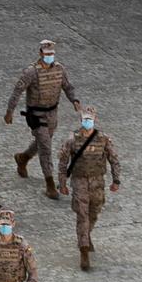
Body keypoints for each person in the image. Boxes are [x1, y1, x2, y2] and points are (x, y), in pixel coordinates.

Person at [5, 39, 80, 199]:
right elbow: (17, 90)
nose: (49, 56)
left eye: (52, 54)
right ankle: (50, 184)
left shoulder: (59, 69)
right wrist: (10, 111)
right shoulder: (31, 72)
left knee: (43, 141)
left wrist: (74, 100)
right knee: (46, 147)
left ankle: (23, 157)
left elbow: (67, 86)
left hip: (52, 113)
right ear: (40, 53)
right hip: (36, 115)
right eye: (47, 54)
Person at [58, 106, 122, 271]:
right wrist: (62, 183)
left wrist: (116, 180)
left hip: (97, 182)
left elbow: (113, 158)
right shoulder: (72, 139)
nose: (87, 122)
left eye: (90, 119)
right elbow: (63, 162)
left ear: (95, 120)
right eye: (85, 119)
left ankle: (86, 235)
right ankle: (84, 250)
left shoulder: (103, 139)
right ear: (81, 120)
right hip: (79, 181)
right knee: (82, 215)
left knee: (94, 211)